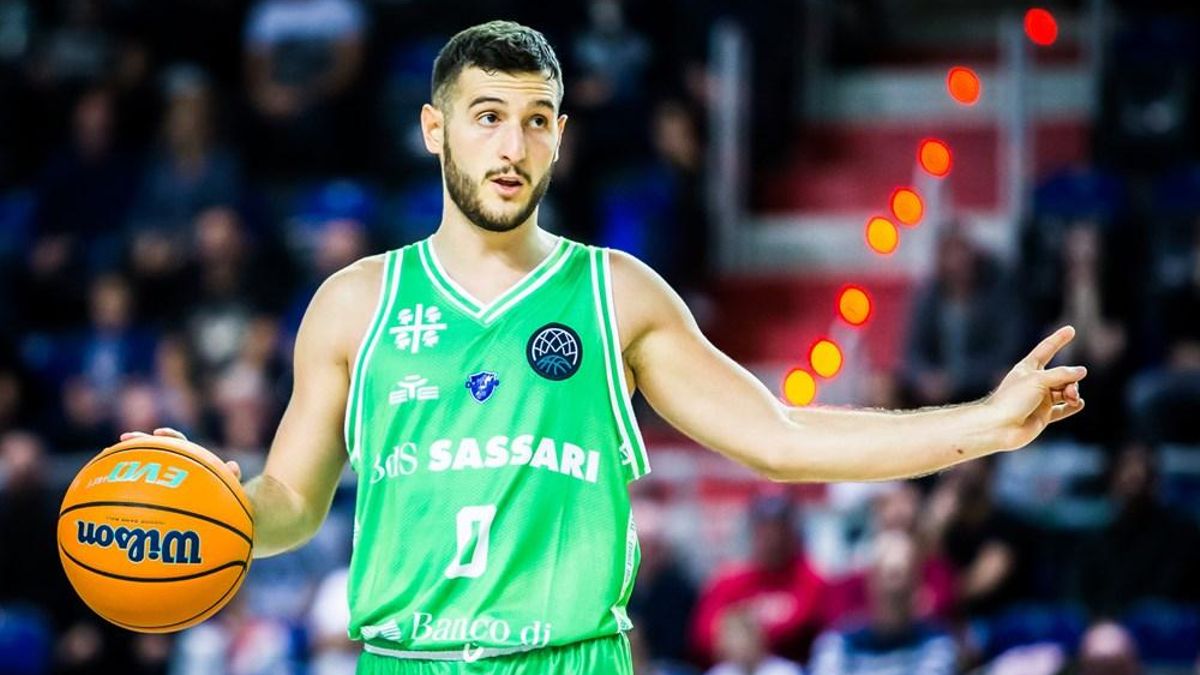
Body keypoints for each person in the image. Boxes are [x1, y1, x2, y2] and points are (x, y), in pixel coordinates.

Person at [121, 20, 1088, 674]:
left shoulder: (615, 292)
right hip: (402, 656)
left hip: (571, 656)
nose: (511, 145)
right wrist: (227, 505)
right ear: (433, 130)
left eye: (535, 121)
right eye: (487, 117)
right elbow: (292, 504)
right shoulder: (352, 302)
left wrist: (985, 427)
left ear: (559, 139)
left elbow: (783, 436)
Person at [808, 532, 957, 675]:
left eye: (902, 576)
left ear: (917, 583)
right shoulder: (839, 642)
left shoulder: (936, 642)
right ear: (870, 581)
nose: (895, 588)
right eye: (889, 575)